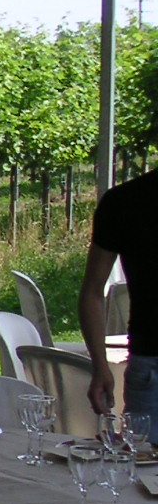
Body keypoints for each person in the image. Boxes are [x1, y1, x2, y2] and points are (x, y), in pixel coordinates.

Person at [79, 168, 158, 424]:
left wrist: (100, 366)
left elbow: (92, 292)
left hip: (149, 366)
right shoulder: (124, 202)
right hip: (150, 367)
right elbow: (92, 292)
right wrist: (99, 365)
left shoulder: (125, 199)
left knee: (142, 450)